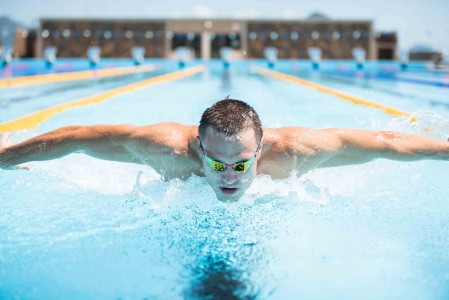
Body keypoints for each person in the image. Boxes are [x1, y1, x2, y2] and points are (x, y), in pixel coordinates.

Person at [1, 98, 448, 202]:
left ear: (262, 148)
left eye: (241, 163)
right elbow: (78, 135)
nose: (228, 175)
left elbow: (387, 143)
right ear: (198, 148)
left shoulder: (294, 151)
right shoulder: (166, 150)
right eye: (216, 162)